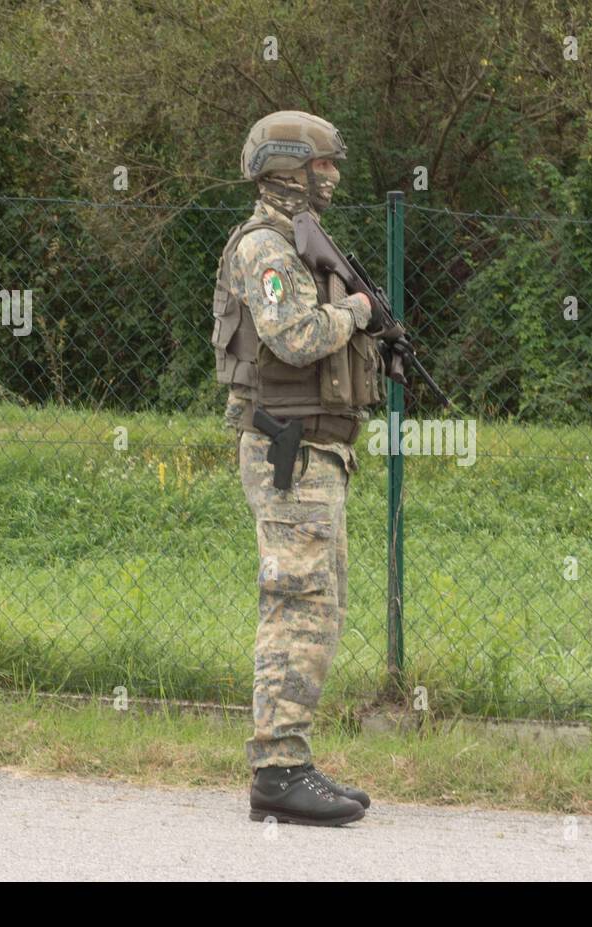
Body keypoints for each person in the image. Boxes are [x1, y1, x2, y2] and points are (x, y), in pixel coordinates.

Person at [212, 110, 385, 826]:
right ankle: (278, 772)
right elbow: (294, 333)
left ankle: (289, 760)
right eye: (322, 165)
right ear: (288, 166)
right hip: (289, 447)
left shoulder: (297, 240)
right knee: (296, 602)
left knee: (319, 603)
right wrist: (357, 313)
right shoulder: (266, 248)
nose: (333, 176)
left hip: (314, 447)